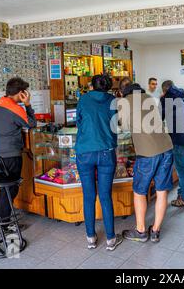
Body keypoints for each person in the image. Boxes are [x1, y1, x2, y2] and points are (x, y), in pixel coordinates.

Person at [118, 78, 173, 243]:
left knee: (140, 191)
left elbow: (125, 127)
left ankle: (141, 231)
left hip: (148, 152)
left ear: (123, 92)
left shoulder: (124, 102)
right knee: (162, 191)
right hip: (166, 147)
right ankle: (155, 231)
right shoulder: (149, 98)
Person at [0, 77, 37, 235]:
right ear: (21, 93)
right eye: (25, 92)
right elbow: (31, 123)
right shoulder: (15, 109)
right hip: (10, 154)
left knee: (4, 189)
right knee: (10, 190)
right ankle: (2, 224)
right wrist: (27, 104)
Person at [75, 74, 123, 251]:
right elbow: (118, 123)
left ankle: (91, 238)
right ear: (109, 86)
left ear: (92, 85)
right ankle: (110, 239)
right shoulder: (113, 101)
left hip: (85, 152)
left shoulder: (83, 99)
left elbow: (78, 122)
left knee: (88, 196)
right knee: (105, 195)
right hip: (106, 152)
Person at [160, 80, 184, 208]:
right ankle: (182, 196)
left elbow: (159, 118)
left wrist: (161, 101)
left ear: (164, 90)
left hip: (180, 140)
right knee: (183, 168)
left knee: (181, 172)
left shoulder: (166, 100)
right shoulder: (183, 97)